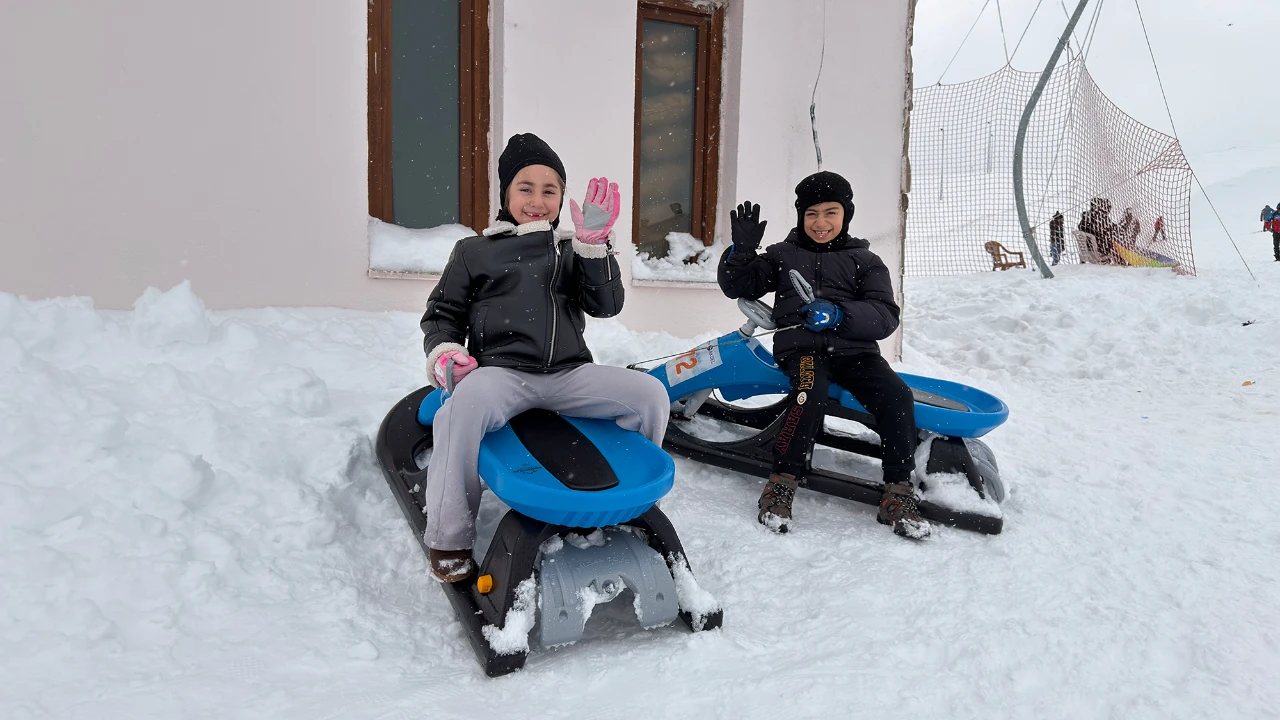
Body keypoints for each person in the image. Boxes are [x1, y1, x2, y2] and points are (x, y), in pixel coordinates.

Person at [419, 133, 671, 582]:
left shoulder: (572, 249)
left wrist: (595, 246)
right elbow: (443, 314)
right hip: (502, 375)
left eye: (549, 190)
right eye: (525, 188)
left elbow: (606, 305)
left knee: (650, 395)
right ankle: (449, 535)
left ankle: (626, 498)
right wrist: (446, 354)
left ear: (561, 198)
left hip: (569, 375)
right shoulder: (475, 251)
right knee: (461, 409)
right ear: (506, 195)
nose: (537, 201)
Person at [717, 171, 927, 539]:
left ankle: (898, 489)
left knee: (897, 396)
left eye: (831, 212)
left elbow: (884, 315)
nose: (820, 222)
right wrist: (742, 253)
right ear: (801, 215)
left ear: (846, 214)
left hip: (856, 353)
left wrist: (841, 314)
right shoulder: (782, 255)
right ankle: (783, 480)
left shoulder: (865, 260)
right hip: (802, 350)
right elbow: (739, 285)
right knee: (808, 392)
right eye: (811, 213)